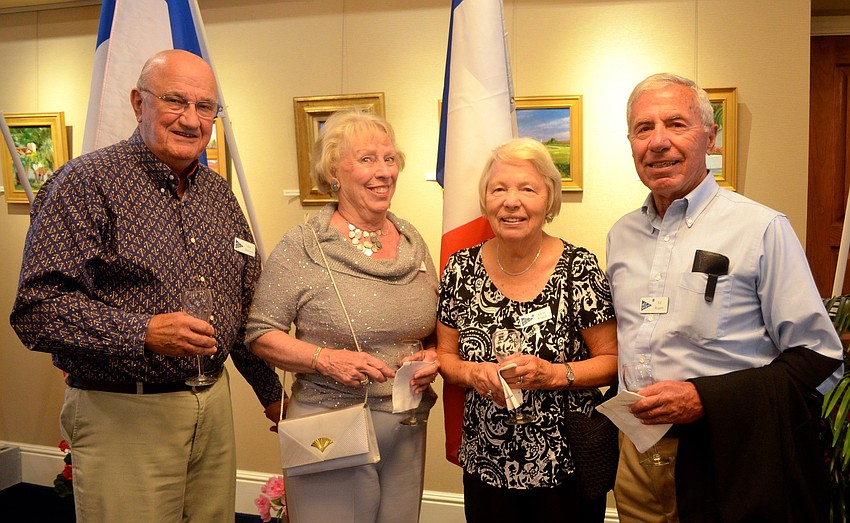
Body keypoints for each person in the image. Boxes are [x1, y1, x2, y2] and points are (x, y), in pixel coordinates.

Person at [10, 49, 282, 522]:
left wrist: (271, 394)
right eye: (176, 101)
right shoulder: (85, 184)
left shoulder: (218, 195)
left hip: (213, 408)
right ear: (139, 103)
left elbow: (242, 310)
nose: (191, 120)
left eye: (205, 107)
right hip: (123, 412)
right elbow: (37, 310)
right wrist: (143, 332)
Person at [607, 72, 844, 522]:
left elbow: (819, 357)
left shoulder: (761, 228)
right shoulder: (622, 235)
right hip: (636, 454)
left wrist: (705, 398)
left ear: (710, 137)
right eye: (643, 128)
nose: (658, 142)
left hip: (727, 455)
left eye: (676, 124)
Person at [246, 109, 440, 523]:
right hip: (329, 425)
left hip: (407, 424)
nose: (384, 171)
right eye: (367, 159)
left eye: (390, 159)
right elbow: (260, 333)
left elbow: (433, 328)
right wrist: (326, 359)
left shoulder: (413, 241)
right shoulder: (305, 245)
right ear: (334, 171)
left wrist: (434, 355)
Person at [436, 137, 618, 523]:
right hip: (487, 462)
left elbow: (612, 361)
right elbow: (445, 357)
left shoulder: (579, 268)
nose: (511, 201)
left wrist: (552, 375)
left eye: (527, 189)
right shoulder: (460, 269)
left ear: (549, 199)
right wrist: (472, 372)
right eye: (498, 189)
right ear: (485, 200)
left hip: (567, 463)